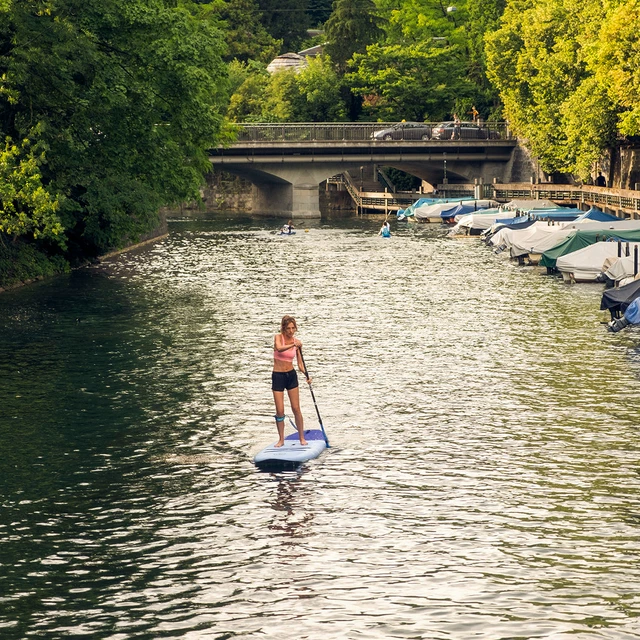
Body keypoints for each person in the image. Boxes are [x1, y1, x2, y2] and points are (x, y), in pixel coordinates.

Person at [272, 315, 311, 447]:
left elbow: (300, 365)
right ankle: (281, 440)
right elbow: (278, 348)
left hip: (291, 375)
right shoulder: (278, 337)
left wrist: (307, 375)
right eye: (288, 328)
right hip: (278, 376)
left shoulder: (297, 343)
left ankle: (301, 438)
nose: (291, 331)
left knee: (296, 408)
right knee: (280, 410)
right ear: (283, 328)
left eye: (293, 328)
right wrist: (293, 344)